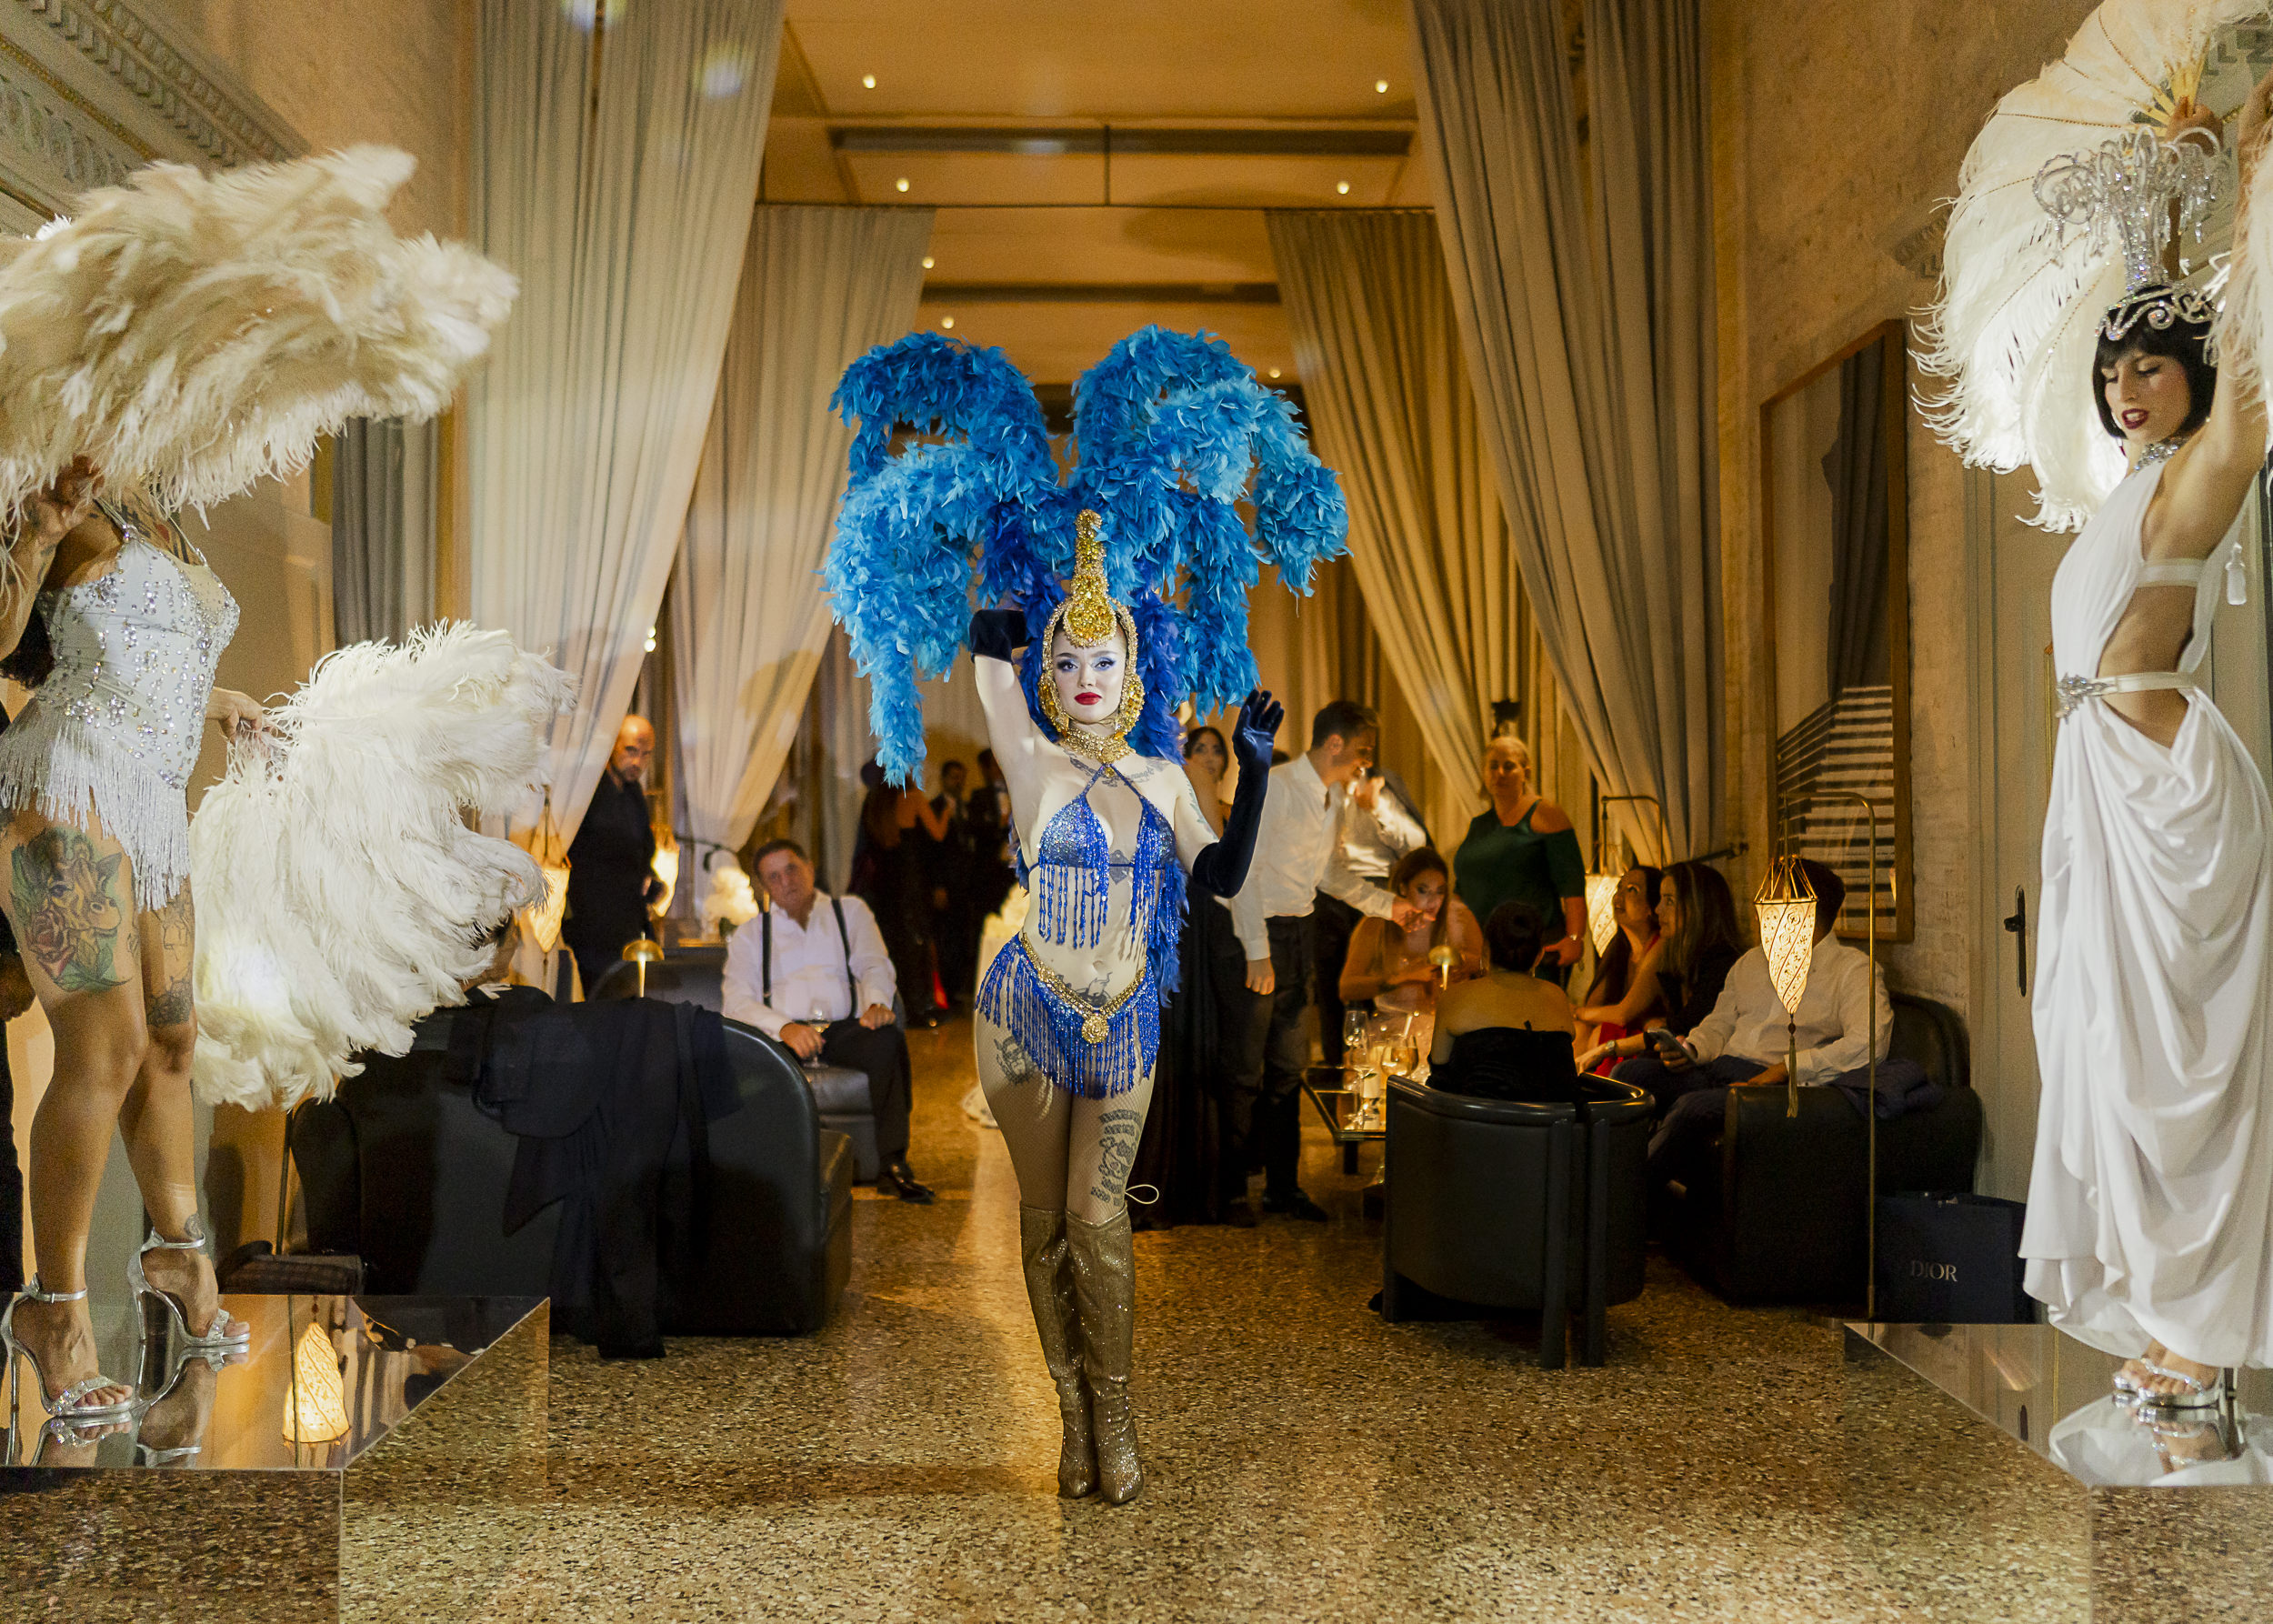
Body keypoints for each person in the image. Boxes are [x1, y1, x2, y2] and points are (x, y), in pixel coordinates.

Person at [2022, 75, 2273, 1411]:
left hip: (2171, 800)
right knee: (2109, 1059)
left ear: (2193, 379)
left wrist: (2252, 191)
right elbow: (2153, 310)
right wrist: (2174, 197)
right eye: (2114, 372)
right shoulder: (2129, 486)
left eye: (2151, 369)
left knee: (2182, 1070)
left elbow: (2249, 389)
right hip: (2102, 783)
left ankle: (2207, 1325)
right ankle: (2171, 1308)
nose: (2126, 388)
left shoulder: (2201, 471)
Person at [966, 511, 1274, 1505]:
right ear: (1049, 682)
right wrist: (1012, 545)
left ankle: (1118, 1415)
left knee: (1099, 1218)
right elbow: (989, 657)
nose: (1086, 676)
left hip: (1125, 1020)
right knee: (1045, 1223)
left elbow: (1220, 876)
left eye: (1103, 660)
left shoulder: (1162, 775)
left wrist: (1256, 777)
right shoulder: (1030, 762)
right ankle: (1070, 1419)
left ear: (1131, 671)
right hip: (1024, 1016)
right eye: (1067, 664)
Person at [0, 462, 259, 1427]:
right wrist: (35, 536)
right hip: (65, 781)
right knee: (104, 1046)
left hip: (151, 799)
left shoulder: (159, 501)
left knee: (173, 1037)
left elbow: (137, 650)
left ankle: (178, 1255)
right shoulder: (59, 484)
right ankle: (54, 1307)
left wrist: (217, 701)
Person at [1226, 699, 1422, 1225]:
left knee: (1289, 1069)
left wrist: (1389, 907)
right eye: (1363, 750)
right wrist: (1257, 952)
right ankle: (1229, 1190)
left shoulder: (1333, 798)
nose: (1367, 762)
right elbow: (1243, 872)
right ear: (1335, 744)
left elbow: (1330, 875)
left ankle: (1282, 1189)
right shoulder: (1275, 787)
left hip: (1300, 933)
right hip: (1258, 932)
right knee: (1244, 1070)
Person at [1615, 859, 1889, 1191]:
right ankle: (1604, 1173)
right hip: (1718, 1069)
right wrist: (1692, 1049)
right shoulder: (1751, 961)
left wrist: (1785, 1069)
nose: (1760, 911)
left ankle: (1619, 1194)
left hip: (1770, 1086)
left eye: (1772, 901)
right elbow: (1720, 1022)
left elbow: (1869, 1042)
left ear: (1807, 910)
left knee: (1693, 1107)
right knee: (1630, 1074)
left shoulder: (1852, 971)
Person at [721, 838, 931, 1203]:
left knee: (886, 1040)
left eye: (791, 869)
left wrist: (877, 1003)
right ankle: (774, 1169)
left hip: (845, 1028)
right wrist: (784, 1027)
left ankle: (893, 1164)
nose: (786, 882)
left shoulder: (849, 911)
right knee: (752, 1063)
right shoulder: (751, 934)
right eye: (774, 877)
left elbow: (873, 964)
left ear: (809, 867)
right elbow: (736, 1000)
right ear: (764, 886)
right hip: (784, 1033)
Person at [1128, 725, 1238, 1231]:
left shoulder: (1202, 785)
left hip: (1194, 928)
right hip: (1154, 922)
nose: (1210, 757)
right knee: (1156, 1048)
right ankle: (1149, 1180)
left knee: (1187, 1044)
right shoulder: (1141, 775)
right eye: (1202, 748)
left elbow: (1219, 869)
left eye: (1218, 749)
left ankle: (1187, 1185)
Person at [1578, 861, 1743, 1073]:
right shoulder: (1677, 958)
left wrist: (1606, 1047)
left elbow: (1680, 1026)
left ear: (1696, 908)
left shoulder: (1721, 963)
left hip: (1707, 1062)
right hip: (1676, 1053)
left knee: (1628, 1070)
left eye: (1669, 901)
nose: (1658, 909)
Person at [1315, 763, 1428, 1065]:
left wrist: (1377, 807)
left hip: (1375, 891)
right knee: (1330, 987)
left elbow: (1416, 843)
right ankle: (1336, 1066)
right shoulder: (1320, 784)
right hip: (1328, 893)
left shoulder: (1381, 786)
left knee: (1369, 984)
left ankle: (1370, 1065)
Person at [1453, 735, 1586, 987]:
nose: (1500, 773)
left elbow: (1573, 885)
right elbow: (1462, 888)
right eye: (1493, 766)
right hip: (1485, 954)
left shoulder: (1546, 814)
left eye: (1509, 766)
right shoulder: (1479, 825)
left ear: (1526, 772)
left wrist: (1575, 938)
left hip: (1534, 950)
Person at [1427, 903, 1582, 1102]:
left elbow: (1439, 1073)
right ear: (1539, 955)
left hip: (1475, 1119)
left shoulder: (1456, 996)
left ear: (1486, 950)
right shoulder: (1557, 996)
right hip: (1554, 1120)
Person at [1337, 847, 1482, 1058]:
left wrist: (1465, 963)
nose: (1433, 901)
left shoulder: (1458, 918)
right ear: (1403, 888)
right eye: (1423, 890)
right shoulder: (1377, 924)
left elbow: (1487, 969)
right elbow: (1347, 988)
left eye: (1440, 891)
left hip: (1447, 1034)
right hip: (1393, 1038)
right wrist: (1403, 977)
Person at [563, 715, 664, 997]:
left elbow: (639, 852)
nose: (637, 761)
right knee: (601, 1000)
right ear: (612, 746)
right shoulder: (589, 789)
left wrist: (650, 880)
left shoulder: (633, 793)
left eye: (646, 754)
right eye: (630, 750)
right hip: (592, 922)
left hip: (628, 921)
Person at [850, 763, 950, 1028]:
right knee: (916, 943)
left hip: (883, 883)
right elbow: (938, 833)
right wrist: (947, 812)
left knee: (891, 943)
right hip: (910, 880)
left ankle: (897, 1004)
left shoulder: (874, 802)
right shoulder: (913, 797)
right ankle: (919, 1007)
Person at [1571, 865, 1666, 1071]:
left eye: (1632, 890)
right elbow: (1594, 1004)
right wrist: (1580, 1015)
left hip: (1650, 1039)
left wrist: (1576, 1011)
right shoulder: (1619, 949)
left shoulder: (1659, 946)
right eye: (1619, 887)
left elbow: (1622, 1014)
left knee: (1598, 1032)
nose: (1618, 896)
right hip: (1625, 1030)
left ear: (1651, 907)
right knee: (1579, 1031)